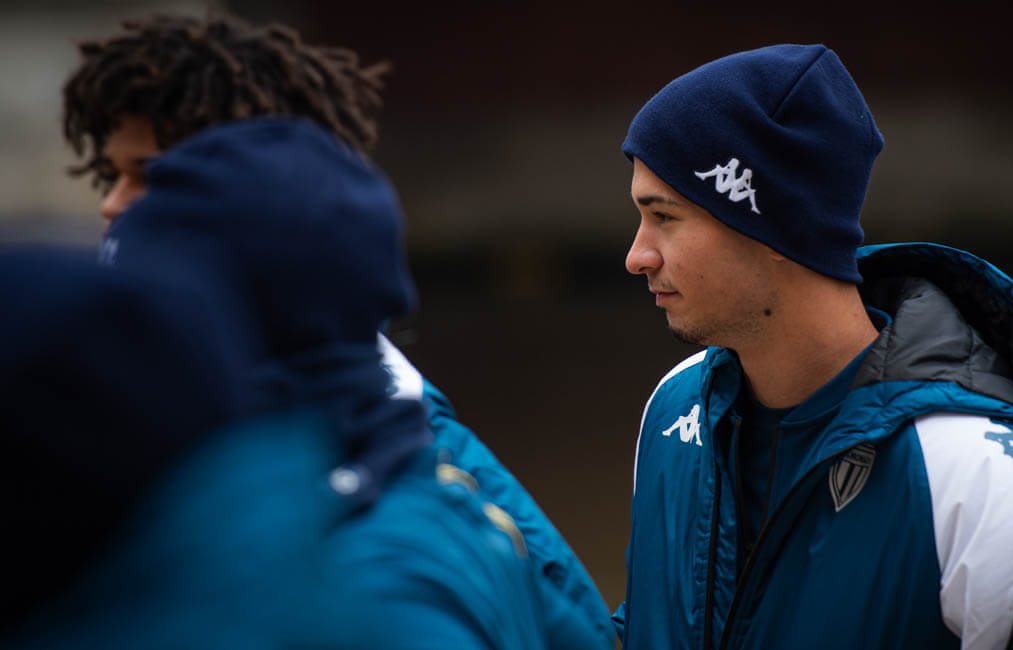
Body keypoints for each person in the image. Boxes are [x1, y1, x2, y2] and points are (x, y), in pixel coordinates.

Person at [61, 13, 613, 646]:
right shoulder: (114, 434)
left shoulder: (418, 507)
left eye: (150, 176)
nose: (111, 205)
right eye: (110, 176)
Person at [613, 44, 1013, 649]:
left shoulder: (982, 486)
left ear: (772, 228)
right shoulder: (676, 411)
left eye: (664, 217)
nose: (637, 256)